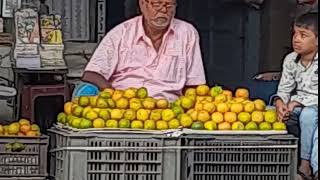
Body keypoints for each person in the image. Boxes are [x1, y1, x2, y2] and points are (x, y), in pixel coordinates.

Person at [82, 0, 206, 101]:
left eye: (169, 5)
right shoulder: (121, 33)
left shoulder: (187, 33)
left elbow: (195, 84)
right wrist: (116, 97)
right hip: (125, 108)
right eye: (157, 4)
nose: (163, 10)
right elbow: (92, 74)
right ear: (142, 5)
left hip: (169, 112)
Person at [275, 12, 318, 180]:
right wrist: (281, 103)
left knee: (309, 115)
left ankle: (305, 163)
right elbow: (284, 89)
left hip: (311, 107)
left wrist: (297, 102)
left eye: (303, 35)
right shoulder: (291, 60)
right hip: (299, 106)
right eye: (295, 34)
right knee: (273, 113)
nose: (296, 39)